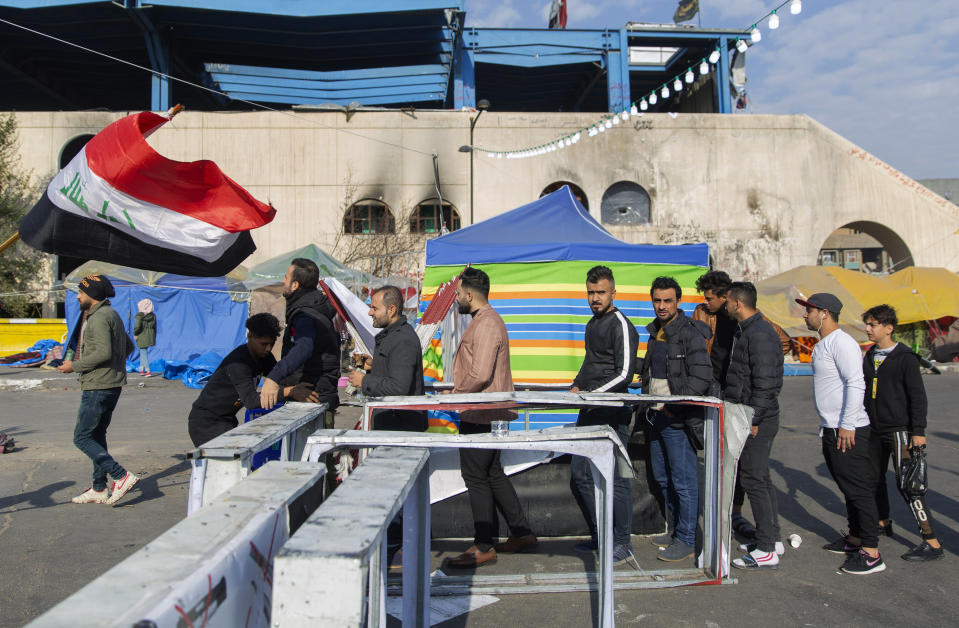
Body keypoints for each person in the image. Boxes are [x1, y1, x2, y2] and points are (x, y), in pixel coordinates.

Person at [447, 267, 536, 568]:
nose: (457, 299)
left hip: (481, 412)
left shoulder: (485, 324)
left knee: (475, 476)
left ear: (469, 295)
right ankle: (522, 532)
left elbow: (480, 373)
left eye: (458, 294)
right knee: (492, 472)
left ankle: (484, 544)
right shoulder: (487, 321)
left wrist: (455, 394)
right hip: (488, 411)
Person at [692, 270, 791, 541]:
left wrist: (754, 366)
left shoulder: (753, 326)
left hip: (746, 400)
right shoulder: (704, 315)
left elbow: (779, 346)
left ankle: (755, 530)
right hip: (726, 393)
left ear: (729, 299)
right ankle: (758, 530)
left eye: (711, 298)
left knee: (751, 472)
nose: (705, 304)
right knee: (735, 463)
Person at [799, 293, 885, 575]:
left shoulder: (842, 342)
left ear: (824, 313)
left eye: (809, 311)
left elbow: (856, 382)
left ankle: (871, 552)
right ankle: (856, 537)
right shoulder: (823, 344)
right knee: (847, 487)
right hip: (832, 426)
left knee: (859, 490)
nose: (804, 316)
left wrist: (847, 424)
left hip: (849, 428)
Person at [568, 265, 639, 564]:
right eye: (590, 292)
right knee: (579, 475)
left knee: (617, 479)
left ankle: (623, 542)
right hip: (590, 409)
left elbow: (624, 374)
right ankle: (601, 534)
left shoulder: (621, 323)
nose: (595, 298)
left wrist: (591, 393)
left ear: (613, 292)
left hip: (613, 413)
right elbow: (591, 361)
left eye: (600, 292)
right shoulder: (591, 324)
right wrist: (576, 384)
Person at [862, 304, 944, 561]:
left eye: (873, 325)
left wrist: (918, 431)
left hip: (900, 431)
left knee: (910, 486)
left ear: (889, 328)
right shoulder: (869, 355)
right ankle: (883, 522)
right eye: (867, 324)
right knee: (872, 480)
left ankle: (932, 542)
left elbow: (917, 397)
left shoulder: (905, 357)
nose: (868, 329)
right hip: (873, 430)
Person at [640, 276, 712, 562]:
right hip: (654, 415)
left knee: (683, 481)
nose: (661, 305)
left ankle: (687, 538)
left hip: (677, 419)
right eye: (657, 300)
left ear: (678, 302)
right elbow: (655, 371)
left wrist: (676, 407)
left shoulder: (689, 332)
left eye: (667, 300)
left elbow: (701, 377)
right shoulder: (656, 331)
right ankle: (675, 531)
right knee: (662, 477)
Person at [57, 275, 139, 505]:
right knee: (96, 435)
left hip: (99, 385)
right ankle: (99, 487)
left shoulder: (99, 317)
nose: (77, 296)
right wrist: (115, 366)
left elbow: (103, 353)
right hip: (110, 383)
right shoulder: (109, 314)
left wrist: (74, 366)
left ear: (91, 295)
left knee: (82, 437)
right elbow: (128, 346)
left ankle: (121, 476)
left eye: (81, 292)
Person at [187, 313, 319, 447]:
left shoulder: (264, 357)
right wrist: (289, 391)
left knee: (240, 462)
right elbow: (251, 401)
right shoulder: (238, 363)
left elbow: (281, 379)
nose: (268, 348)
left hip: (227, 420)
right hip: (205, 423)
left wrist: (297, 386)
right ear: (250, 336)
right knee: (228, 464)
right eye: (264, 344)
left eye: (272, 344)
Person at [723, 282, 785, 570]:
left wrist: (754, 420)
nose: (724, 306)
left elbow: (766, 383)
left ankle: (766, 549)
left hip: (756, 418)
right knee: (759, 477)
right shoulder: (749, 331)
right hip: (750, 414)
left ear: (737, 303)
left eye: (727, 301)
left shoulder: (759, 334)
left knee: (753, 479)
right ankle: (771, 537)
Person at [259, 258, 340, 432]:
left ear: (295, 285)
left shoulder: (305, 314)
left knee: (307, 457)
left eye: (286, 278)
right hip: (317, 396)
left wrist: (274, 378)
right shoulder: (318, 308)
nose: (283, 281)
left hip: (311, 400)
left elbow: (304, 347)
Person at [348, 285, 427, 431]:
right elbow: (395, 370)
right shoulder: (393, 335)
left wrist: (364, 381)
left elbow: (399, 386)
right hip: (391, 423)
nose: (370, 312)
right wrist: (375, 365)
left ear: (391, 310)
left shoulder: (403, 339)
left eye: (375, 308)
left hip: (400, 429)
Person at [133, 298, 156, 377]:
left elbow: (137, 326)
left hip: (142, 336)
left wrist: (135, 334)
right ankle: (141, 369)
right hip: (150, 336)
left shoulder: (140, 316)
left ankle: (148, 370)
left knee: (143, 353)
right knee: (142, 352)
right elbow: (154, 327)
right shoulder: (153, 316)